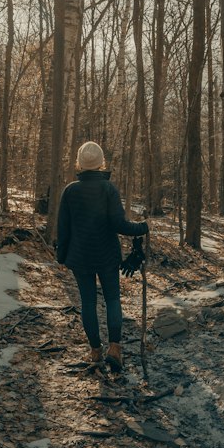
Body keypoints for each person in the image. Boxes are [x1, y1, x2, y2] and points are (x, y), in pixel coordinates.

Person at [56, 141, 148, 373]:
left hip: (79, 257)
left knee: (88, 303)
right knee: (112, 299)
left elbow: (63, 229)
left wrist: (62, 256)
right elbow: (119, 224)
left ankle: (95, 350)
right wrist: (143, 227)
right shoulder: (108, 189)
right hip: (107, 255)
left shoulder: (70, 190)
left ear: (79, 162)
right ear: (101, 163)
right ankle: (114, 349)